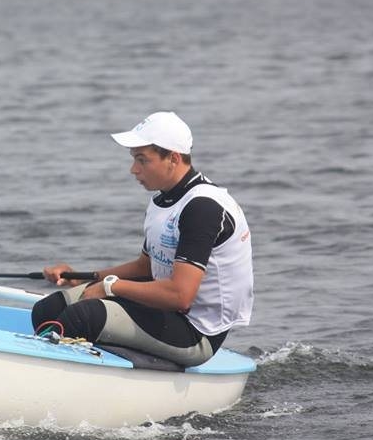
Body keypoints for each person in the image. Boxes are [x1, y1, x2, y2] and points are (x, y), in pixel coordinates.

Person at [32, 111, 253, 367]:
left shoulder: (202, 208)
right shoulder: (164, 199)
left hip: (197, 332)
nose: (133, 169)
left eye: (142, 160)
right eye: (133, 159)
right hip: (166, 309)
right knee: (48, 310)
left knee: (83, 316)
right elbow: (145, 268)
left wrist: (110, 287)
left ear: (173, 158)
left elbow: (181, 296)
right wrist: (83, 277)